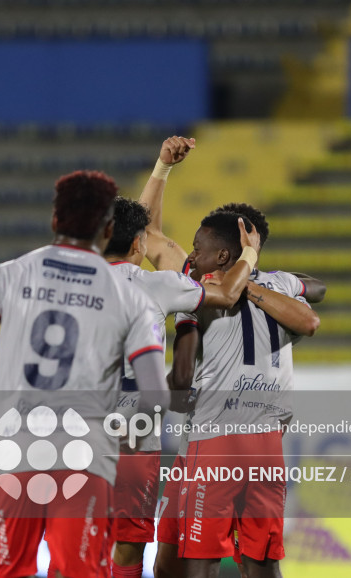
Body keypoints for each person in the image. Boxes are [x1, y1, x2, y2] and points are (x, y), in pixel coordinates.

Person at [0, 170, 171, 578]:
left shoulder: (10, 274)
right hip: (84, 452)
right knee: (80, 571)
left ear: (54, 220)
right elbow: (156, 397)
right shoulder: (130, 296)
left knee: (10, 570)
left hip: (14, 446)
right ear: (108, 228)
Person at [104, 196, 261, 578]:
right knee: (129, 542)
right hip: (133, 430)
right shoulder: (157, 285)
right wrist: (249, 257)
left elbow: (149, 234)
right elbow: (225, 294)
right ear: (138, 245)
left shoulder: (61, 283)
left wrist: (162, 168)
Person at [168, 210, 320, 578]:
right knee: (264, 562)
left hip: (215, 437)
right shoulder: (281, 284)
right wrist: (256, 278)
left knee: (200, 561)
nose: (191, 257)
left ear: (222, 257)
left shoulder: (200, 293)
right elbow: (317, 290)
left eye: (197, 248)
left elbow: (182, 378)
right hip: (267, 443)